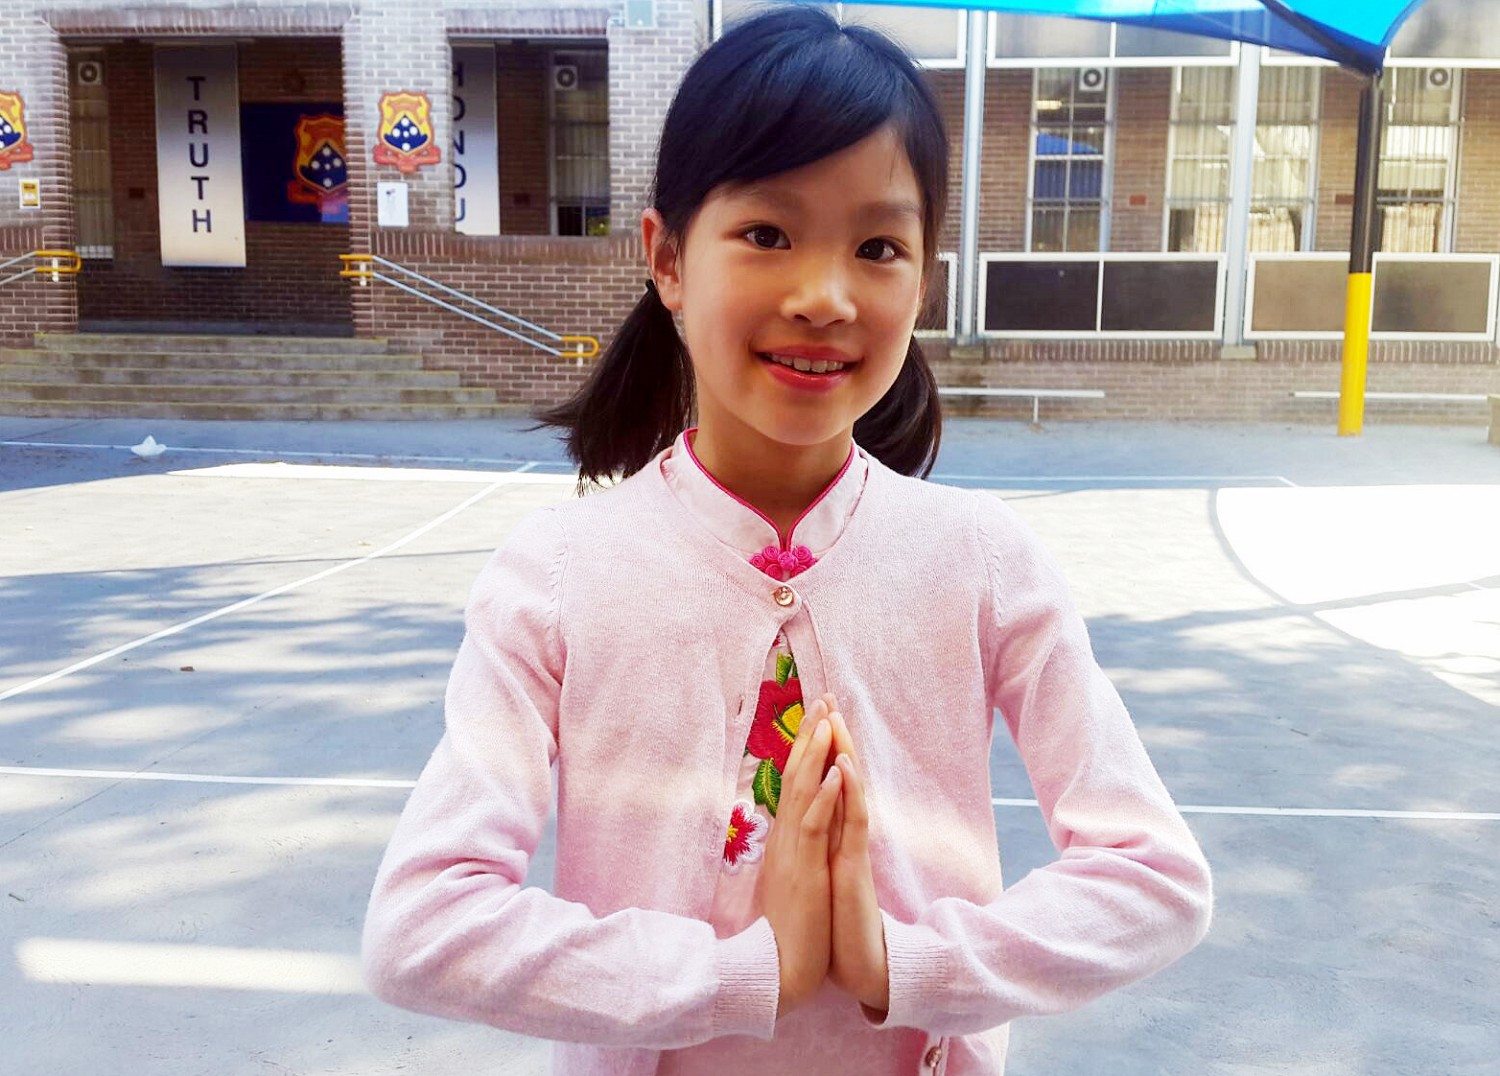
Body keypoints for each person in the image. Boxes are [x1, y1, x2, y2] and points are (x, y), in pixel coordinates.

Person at [361, 8, 1213, 1075]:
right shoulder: (561, 575)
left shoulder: (980, 562)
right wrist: (746, 973)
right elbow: (422, 924)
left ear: (924, 281)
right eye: (768, 233)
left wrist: (903, 961)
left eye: (878, 247)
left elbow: (1155, 875)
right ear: (668, 258)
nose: (824, 296)